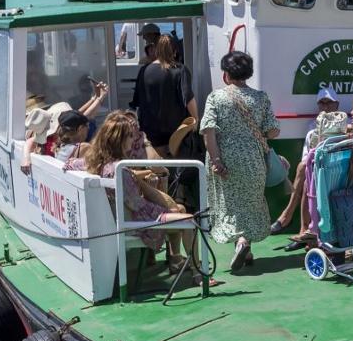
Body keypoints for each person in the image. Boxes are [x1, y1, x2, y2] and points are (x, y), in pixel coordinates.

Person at [200, 51, 279, 269]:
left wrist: (216, 160)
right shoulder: (260, 97)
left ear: (226, 73)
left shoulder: (216, 97)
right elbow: (273, 131)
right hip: (253, 159)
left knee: (229, 204)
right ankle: (247, 248)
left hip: (225, 157)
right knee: (251, 202)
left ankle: (241, 242)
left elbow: (208, 131)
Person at [81, 111, 195, 260]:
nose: (133, 138)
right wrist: (166, 209)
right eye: (129, 135)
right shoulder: (120, 169)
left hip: (118, 219)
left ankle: (177, 260)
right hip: (133, 225)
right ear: (119, 140)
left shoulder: (96, 163)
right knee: (188, 219)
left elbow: (71, 163)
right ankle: (198, 270)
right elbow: (138, 206)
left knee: (179, 210)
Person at [272, 86, 341, 236]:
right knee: (306, 177)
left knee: (304, 169)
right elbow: (307, 155)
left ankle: (287, 215)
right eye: (322, 103)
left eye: (329, 102)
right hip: (319, 167)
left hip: (338, 168)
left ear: (337, 104)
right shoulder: (312, 127)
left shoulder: (347, 124)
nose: (326, 107)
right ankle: (304, 230)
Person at [130, 35, 198, 155]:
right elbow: (188, 97)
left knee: (158, 166)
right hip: (176, 127)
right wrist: (196, 120)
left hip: (151, 126)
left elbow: (137, 101)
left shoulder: (144, 71)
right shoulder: (180, 70)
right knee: (178, 165)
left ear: (156, 50)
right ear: (175, 51)